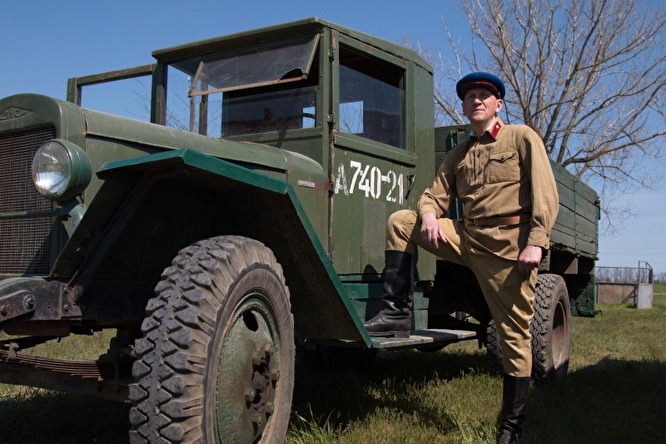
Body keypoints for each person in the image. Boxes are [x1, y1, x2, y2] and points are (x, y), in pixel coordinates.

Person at [363, 72, 559, 443]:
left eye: (484, 95)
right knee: (402, 221)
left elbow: (545, 193)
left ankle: (511, 426)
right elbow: (432, 195)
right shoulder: (460, 153)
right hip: (467, 237)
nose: (477, 101)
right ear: (464, 106)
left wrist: (536, 241)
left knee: (514, 336)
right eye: (470, 96)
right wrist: (430, 215)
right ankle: (395, 313)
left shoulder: (521, 137)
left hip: (507, 247)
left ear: (498, 104)